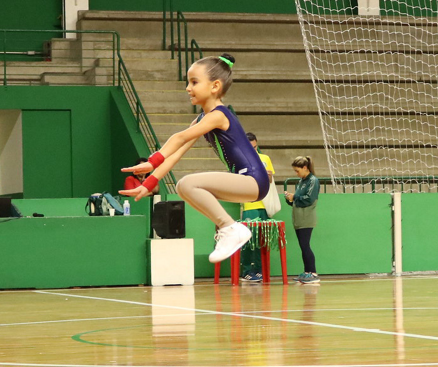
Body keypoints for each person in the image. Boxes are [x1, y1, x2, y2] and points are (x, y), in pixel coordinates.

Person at [120, 54, 269, 264]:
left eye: (194, 82)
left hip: (254, 179)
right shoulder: (202, 119)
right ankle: (229, 228)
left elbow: (179, 138)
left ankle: (230, 228)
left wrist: (152, 161)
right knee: (183, 188)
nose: (188, 88)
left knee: (187, 184)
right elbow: (176, 154)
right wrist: (149, 183)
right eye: (188, 82)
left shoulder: (219, 115)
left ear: (215, 86)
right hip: (245, 182)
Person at [238, 132, 275, 282]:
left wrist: (267, 175)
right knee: (248, 239)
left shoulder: (265, 158)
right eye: (250, 147)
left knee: (261, 239)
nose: (253, 150)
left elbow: (270, 180)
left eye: (255, 147)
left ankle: (259, 270)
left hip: (263, 204)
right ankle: (247, 270)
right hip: (249, 205)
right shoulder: (239, 160)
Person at [285, 155, 320, 283]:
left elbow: (309, 199)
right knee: (303, 246)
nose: (296, 173)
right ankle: (306, 272)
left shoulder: (313, 181)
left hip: (306, 218)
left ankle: (313, 273)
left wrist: (294, 197)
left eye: (297, 170)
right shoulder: (301, 181)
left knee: (305, 245)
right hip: (298, 218)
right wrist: (290, 198)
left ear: (305, 167)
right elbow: (298, 200)